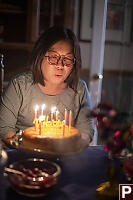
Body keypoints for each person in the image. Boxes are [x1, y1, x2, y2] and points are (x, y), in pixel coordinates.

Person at [0, 26, 96, 148]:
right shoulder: (19, 85)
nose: (60, 65)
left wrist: (67, 146)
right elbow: (4, 130)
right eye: (53, 57)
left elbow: (86, 131)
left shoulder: (79, 89)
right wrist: (38, 147)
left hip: (63, 157)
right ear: (40, 56)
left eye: (67, 59)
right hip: (21, 154)